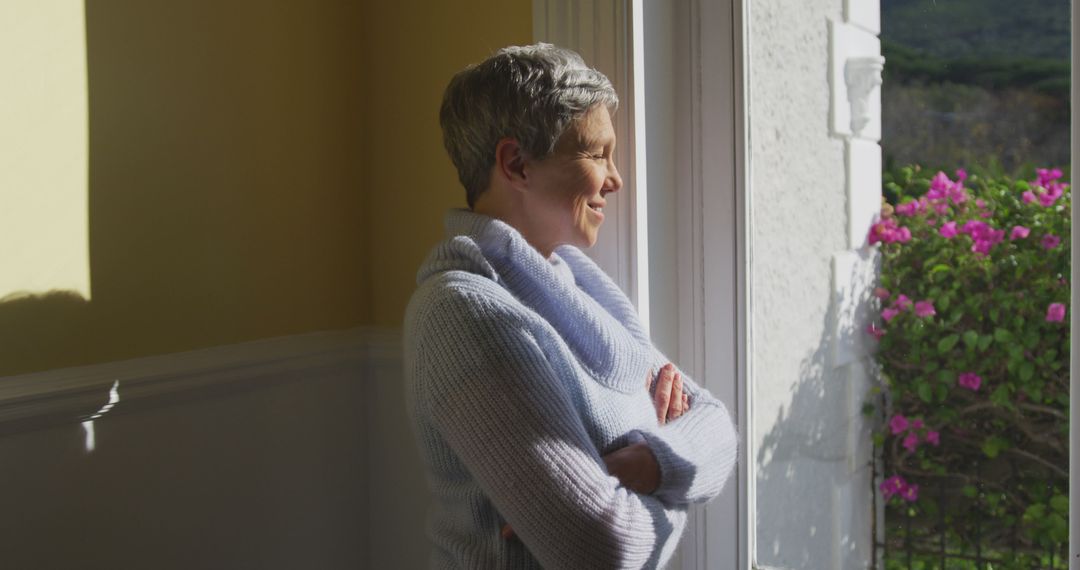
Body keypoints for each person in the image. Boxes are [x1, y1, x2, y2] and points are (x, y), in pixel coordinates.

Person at [403, 43, 738, 569]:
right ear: (516, 163)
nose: (615, 178)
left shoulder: (584, 290)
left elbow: (718, 427)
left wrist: (648, 464)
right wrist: (676, 471)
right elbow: (606, 550)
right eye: (597, 153)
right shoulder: (462, 317)